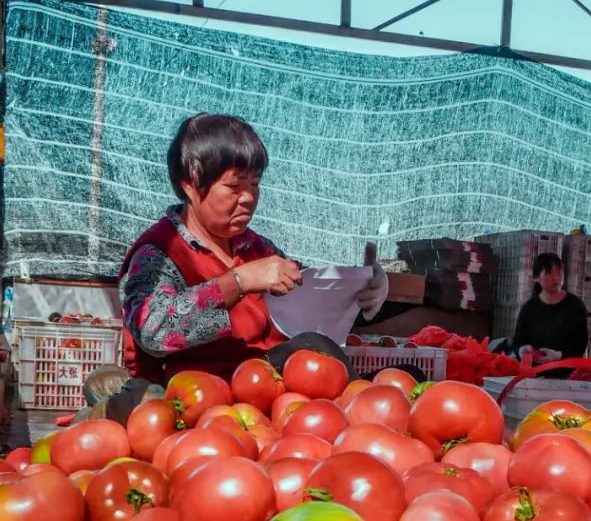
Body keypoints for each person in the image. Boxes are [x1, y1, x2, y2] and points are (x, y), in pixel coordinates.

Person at [85, 114, 387, 419]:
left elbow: (309, 295)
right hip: (185, 402)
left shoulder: (258, 249)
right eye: (234, 186)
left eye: (254, 184)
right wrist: (237, 282)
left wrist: (366, 289)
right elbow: (153, 330)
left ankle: (364, 416)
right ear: (190, 184)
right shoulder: (157, 253)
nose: (248, 198)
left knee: (317, 346)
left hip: (259, 398)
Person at [510, 252, 589, 367]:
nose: (555, 278)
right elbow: (517, 343)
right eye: (549, 273)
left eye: (559, 272)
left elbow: (580, 344)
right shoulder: (529, 309)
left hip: (567, 372)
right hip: (535, 372)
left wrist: (559, 355)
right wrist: (522, 350)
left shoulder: (575, 305)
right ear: (536, 277)